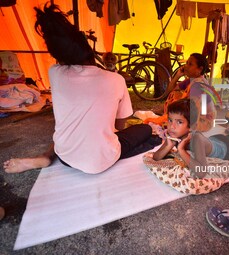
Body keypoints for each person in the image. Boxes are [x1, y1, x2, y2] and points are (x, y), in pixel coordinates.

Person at [3, 2, 158, 174]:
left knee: (67, 131)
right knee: (145, 128)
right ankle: (146, 129)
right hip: (102, 160)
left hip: (65, 157)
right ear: (87, 48)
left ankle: (47, 156)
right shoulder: (116, 79)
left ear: (59, 56)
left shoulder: (55, 73)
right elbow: (120, 127)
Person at [145, 53, 217, 132]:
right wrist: (177, 76)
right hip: (193, 117)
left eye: (190, 64)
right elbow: (170, 90)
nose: (186, 66)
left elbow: (191, 110)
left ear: (200, 69)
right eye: (186, 63)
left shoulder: (198, 85)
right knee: (174, 94)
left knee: (164, 123)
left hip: (202, 122)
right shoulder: (192, 80)